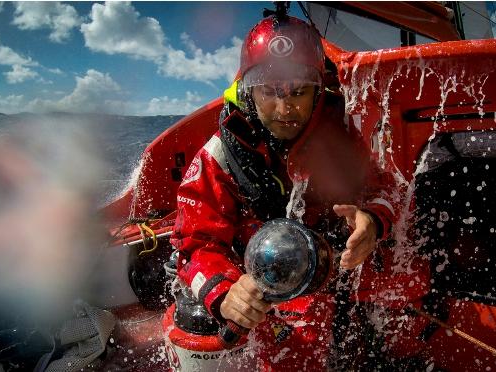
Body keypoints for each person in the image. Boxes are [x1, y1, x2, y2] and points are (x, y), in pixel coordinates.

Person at [170, 13, 430, 369]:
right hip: (269, 283)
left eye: (298, 91)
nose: (285, 109)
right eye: (269, 92)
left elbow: (388, 188)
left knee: (410, 282)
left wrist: (372, 219)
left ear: (318, 89)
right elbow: (194, 243)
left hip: (341, 260)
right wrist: (225, 291)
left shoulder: (344, 136)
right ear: (248, 90)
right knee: (293, 350)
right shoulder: (220, 157)